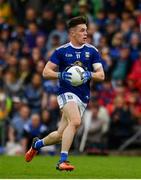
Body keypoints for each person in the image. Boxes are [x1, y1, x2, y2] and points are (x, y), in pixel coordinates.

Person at [25, 16, 105, 171]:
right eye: (82, 30)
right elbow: (46, 72)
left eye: (86, 30)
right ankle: (63, 161)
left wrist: (89, 74)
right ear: (72, 33)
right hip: (65, 93)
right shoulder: (61, 51)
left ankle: (37, 144)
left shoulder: (92, 51)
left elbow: (101, 75)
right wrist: (60, 75)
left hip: (83, 96)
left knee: (61, 134)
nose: (85, 33)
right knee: (75, 122)